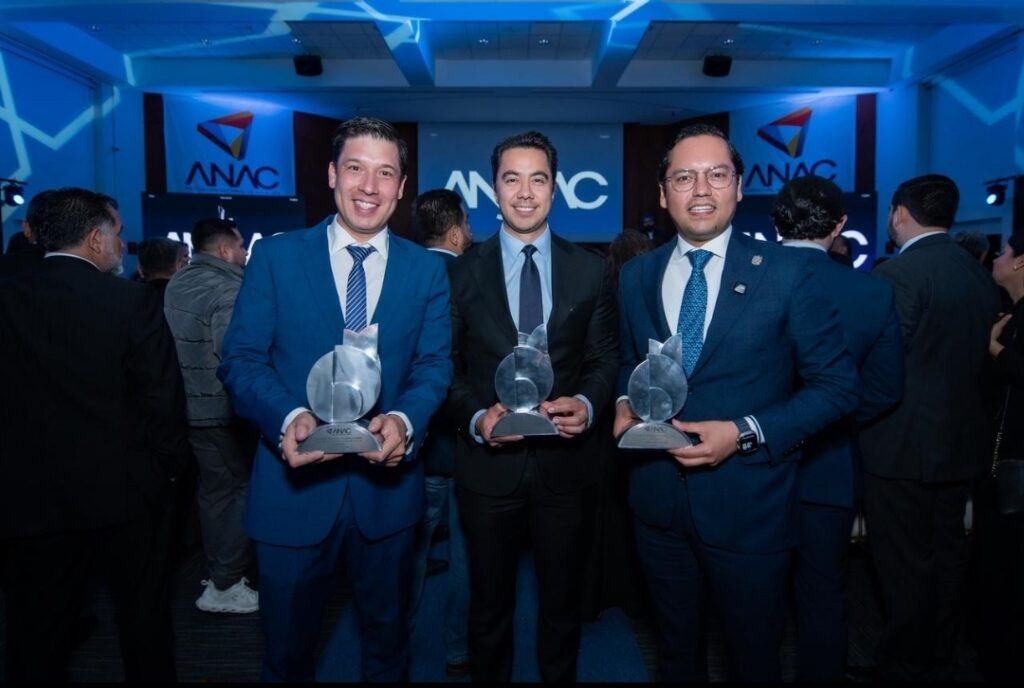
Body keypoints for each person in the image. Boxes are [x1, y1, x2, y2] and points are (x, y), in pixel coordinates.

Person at [614, 124, 859, 682]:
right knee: (675, 654)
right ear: (663, 194)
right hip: (657, 505)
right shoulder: (636, 275)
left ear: (740, 187)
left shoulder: (788, 272)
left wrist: (744, 431)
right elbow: (629, 363)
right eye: (684, 177)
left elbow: (838, 386)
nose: (701, 189)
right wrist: (625, 402)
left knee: (754, 658)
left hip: (751, 508)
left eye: (716, 174)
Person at [218, 117, 452, 682]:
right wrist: (289, 417)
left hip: (387, 501)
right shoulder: (276, 258)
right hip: (293, 496)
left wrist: (404, 420)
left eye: (385, 173)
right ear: (331, 174)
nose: (369, 186)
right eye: (355, 168)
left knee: (388, 651)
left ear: (402, 186)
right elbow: (241, 359)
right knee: (286, 656)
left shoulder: (427, 270)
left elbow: (434, 365)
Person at [447, 130, 618, 682]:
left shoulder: (590, 268)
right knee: (488, 608)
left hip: (567, 469)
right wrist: (477, 417)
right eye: (512, 179)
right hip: (487, 468)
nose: (524, 192)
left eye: (537, 179)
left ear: (554, 187)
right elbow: (443, 365)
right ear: (493, 188)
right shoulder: (458, 271)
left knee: (563, 608)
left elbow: (604, 357)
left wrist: (587, 404)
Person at [0, 187, 190, 681]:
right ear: (95, 240)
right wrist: (168, 475)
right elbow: (162, 399)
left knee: (35, 630)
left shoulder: (8, 295)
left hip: (29, 497)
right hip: (125, 493)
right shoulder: (130, 301)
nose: (123, 245)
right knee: (143, 621)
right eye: (119, 234)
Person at [859, 174, 1001, 681]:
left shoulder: (897, 275)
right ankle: (942, 655)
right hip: (961, 442)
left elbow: (882, 363)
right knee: (947, 555)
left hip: (901, 443)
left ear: (899, 213)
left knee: (902, 562)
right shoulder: (976, 272)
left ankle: (903, 662)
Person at [772, 175, 904, 681]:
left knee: (748, 596)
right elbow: (885, 388)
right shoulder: (872, 292)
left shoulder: (747, 278)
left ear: (776, 223)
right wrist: (827, 418)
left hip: (750, 463)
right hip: (829, 465)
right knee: (823, 593)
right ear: (841, 225)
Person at [164, 218, 258, 614]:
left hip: (189, 409)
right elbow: (233, 358)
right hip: (221, 413)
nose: (245, 253)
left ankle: (221, 573)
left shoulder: (178, 282)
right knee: (239, 493)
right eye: (241, 246)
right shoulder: (228, 289)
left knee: (215, 493)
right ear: (224, 251)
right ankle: (225, 582)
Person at [407, 188, 474, 678]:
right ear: (454, 232)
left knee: (409, 547)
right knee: (467, 556)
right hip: (468, 440)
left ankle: (394, 640)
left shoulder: (402, 273)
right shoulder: (474, 277)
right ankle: (457, 651)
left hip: (418, 439)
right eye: (466, 225)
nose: (469, 234)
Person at [973, 233, 1024, 681]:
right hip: (999, 463)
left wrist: (992, 347)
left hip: (1014, 466)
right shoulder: (1009, 311)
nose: (997, 259)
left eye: (1005, 253)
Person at [137, 236, 190, 301]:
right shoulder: (191, 297)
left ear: (140, 269)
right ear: (178, 265)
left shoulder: (130, 297)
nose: (189, 259)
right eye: (185, 256)